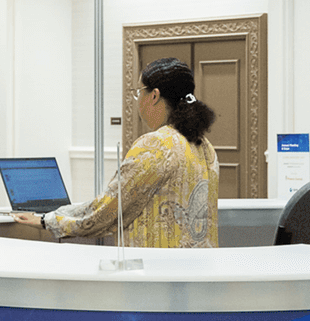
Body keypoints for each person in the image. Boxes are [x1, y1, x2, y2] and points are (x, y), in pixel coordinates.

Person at [13, 58, 219, 248]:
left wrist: (46, 220)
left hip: (157, 272)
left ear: (154, 95)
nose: (137, 101)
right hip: (196, 270)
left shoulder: (156, 145)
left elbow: (107, 211)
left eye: (139, 92)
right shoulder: (205, 146)